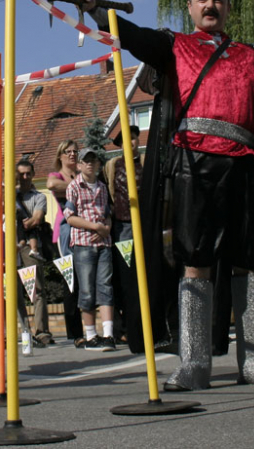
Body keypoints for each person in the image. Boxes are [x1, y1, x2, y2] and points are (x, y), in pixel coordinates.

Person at [84, 0, 254, 389]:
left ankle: (253, 361)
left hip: (247, 165)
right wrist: (95, 11)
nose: (211, 5)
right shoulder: (174, 47)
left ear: (228, 8)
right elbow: (134, 37)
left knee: (249, 261)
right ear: (191, 6)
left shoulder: (250, 56)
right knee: (195, 259)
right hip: (194, 163)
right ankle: (195, 363)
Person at [64, 148, 115, 351]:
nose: (90, 164)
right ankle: (91, 335)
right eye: (86, 161)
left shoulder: (102, 187)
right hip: (83, 243)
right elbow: (70, 216)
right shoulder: (74, 187)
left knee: (105, 286)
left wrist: (106, 229)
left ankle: (108, 333)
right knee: (86, 289)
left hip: (103, 243)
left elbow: (107, 214)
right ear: (79, 165)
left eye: (93, 161)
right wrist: (95, 227)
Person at [103, 126, 143, 346]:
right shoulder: (113, 166)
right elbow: (108, 193)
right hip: (122, 226)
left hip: (144, 224)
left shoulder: (145, 162)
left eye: (134, 138)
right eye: (127, 140)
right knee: (126, 277)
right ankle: (127, 327)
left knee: (144, 273)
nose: (132, 143)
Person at [47, 140, 84, 343]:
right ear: (60, 155)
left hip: (84, 230)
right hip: (65, 233)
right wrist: (80, 186)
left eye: (75, 151)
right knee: (71, 282)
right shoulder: (57, 176)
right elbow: (52, 185)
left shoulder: (80, 174)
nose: (72, 155)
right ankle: (74, 332)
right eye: (67, 152)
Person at [15, 159, 53, 346]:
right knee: (13, 292)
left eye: (28, 173)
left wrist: (25, 223)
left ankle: (42, 331)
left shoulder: (39, 197)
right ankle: (24, 331)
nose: (24, 177)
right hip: (11, 246)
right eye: (21, 173)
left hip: (30, 247)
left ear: (33, 174)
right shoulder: (9, 195)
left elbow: (36, 219)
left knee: (36, 290)